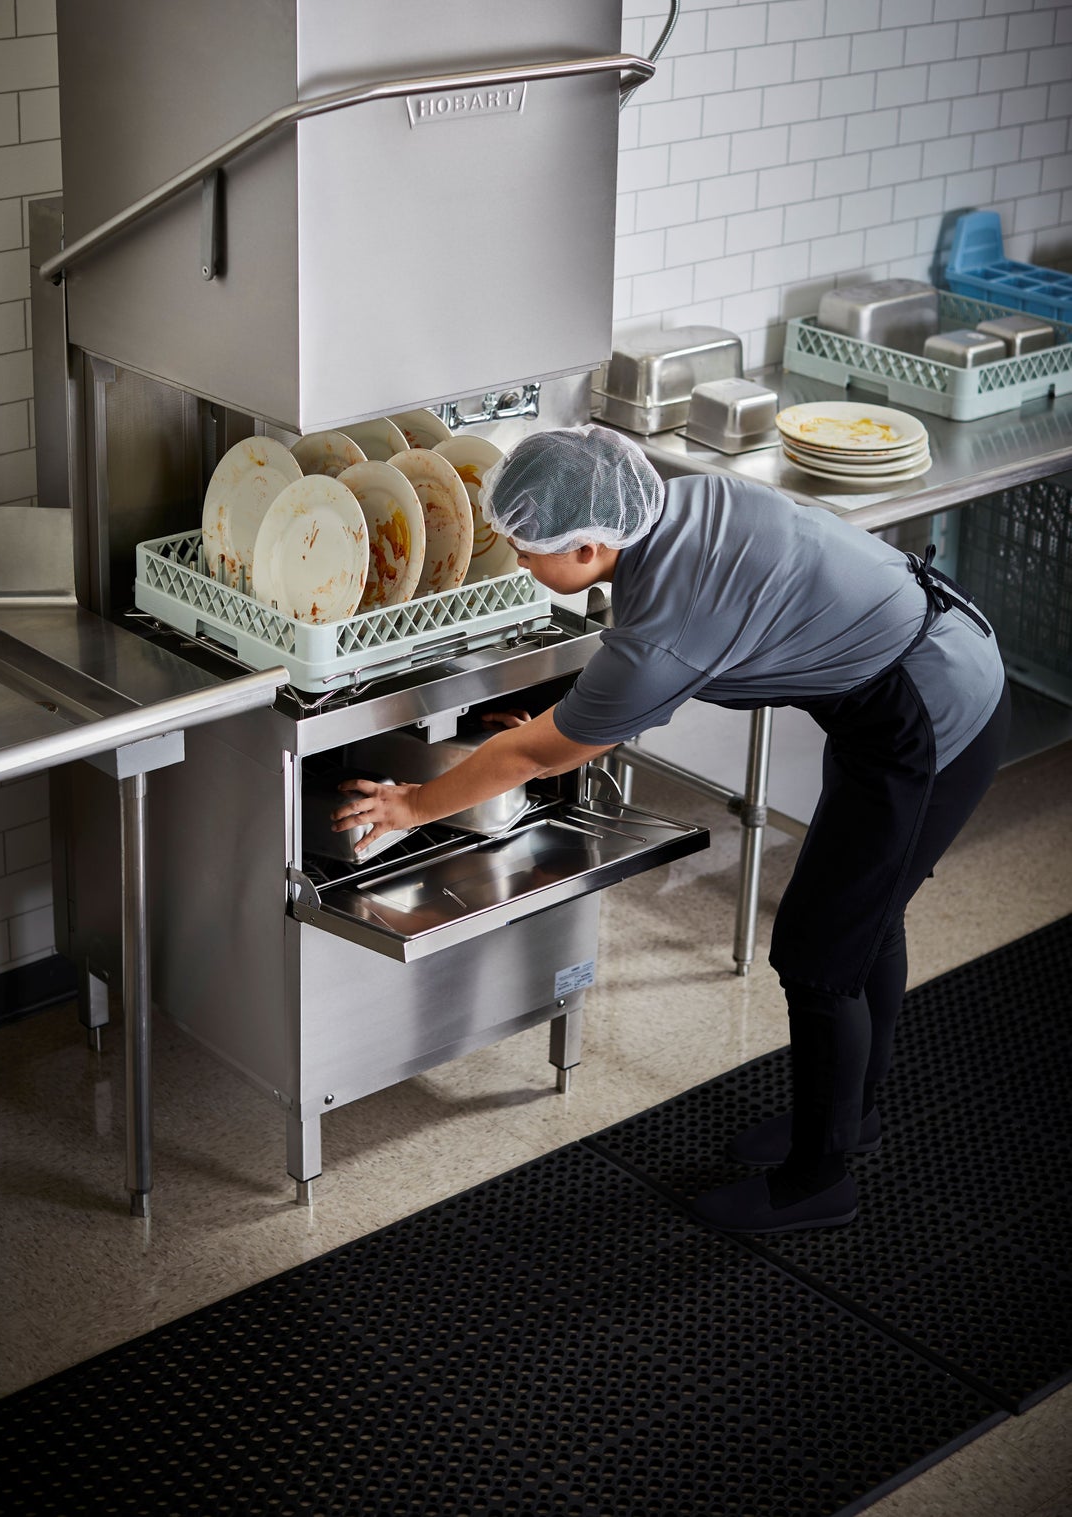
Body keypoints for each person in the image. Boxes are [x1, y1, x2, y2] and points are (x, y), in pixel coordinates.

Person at [332, 425, 1009, 1234]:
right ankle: (849, 1115)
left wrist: (411, 804)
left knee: (818, 951)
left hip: (930, 717)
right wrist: (575, 716)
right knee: (864, 915)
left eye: (525, 547)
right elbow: (621, 678)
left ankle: (818, 1181)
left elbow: (533, 751)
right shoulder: (683, 501)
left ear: (588, 547)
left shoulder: (659, 630)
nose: (517, 560)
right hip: (919, 664)